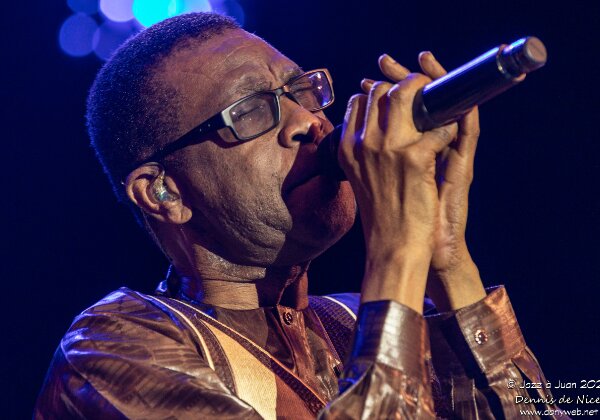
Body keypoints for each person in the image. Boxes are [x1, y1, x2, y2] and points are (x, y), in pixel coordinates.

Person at [35, 12, 564, 419]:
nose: (310, 122)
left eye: (301, 91)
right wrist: (398, 250)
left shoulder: (359, 320)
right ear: (163, 192)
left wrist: (444, 258)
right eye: (250, 110)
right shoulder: (111, 354)